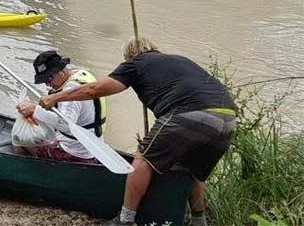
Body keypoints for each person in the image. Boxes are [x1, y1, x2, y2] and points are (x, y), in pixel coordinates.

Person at [38, 38, 237, 226]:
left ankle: (125, 219)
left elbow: (95, 90)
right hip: (228, 119)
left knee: (142, 160)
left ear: (129, 56)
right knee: (192, 171)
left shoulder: (135, 63)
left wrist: (57, 98)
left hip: (189, 115)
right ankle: (198, 221)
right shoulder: (178, 60)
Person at [15, 50, 105, 162]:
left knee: (20, 142)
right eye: (44, 81)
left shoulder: (70, 93)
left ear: (61, 71)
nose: (47, 84)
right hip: (94, 148)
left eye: (49, 78)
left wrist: (34, 110)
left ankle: (37, 174)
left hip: (76, 153)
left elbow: (66, 125)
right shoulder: (81, 75)